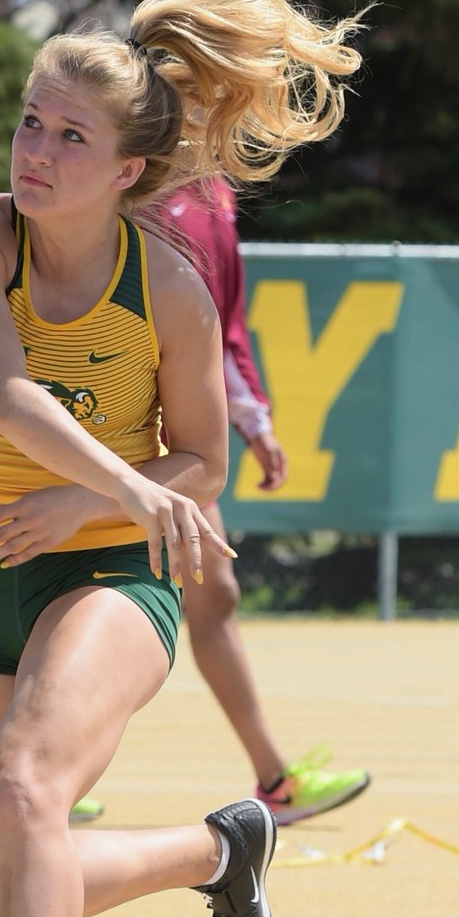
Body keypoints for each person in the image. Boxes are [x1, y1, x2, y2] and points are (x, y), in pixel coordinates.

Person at [0, 0, 364, 917]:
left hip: (108, 572)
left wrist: (90, 509)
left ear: (125, 171)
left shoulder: (161, 285)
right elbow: (4, 391)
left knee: (28, 790)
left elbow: (203, 468)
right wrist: (114, 476)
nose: (37, 149)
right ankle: (217, 850)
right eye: (30, 119)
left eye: (71, 136)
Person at [148, 177, 371, 824]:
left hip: (175, 445)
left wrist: (254, 419)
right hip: (121, 433)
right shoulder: (131, 179)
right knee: (88, 606)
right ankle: (31, 774)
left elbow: (222, 323)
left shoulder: (214, 192)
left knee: (211, 593)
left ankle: (276, 780)